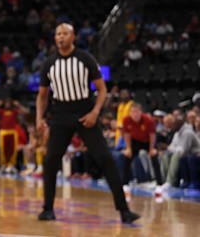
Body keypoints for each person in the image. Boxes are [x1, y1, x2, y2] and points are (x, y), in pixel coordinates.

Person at [36, 23, 139, 223]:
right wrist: (39, 118)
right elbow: (42, 96)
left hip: (85, 112)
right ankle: (47, 209)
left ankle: (124, 210)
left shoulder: (85, 59)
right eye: (58, 34)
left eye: (65, 33)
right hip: (60, 113)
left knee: (105, 159)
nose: (61, 37)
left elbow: (102, 89)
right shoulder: (48, 63)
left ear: (73, 36)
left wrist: (95, 112)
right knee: (50, 161)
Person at [121, 103, 163, 195]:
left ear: (141, 112)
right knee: (127, 157)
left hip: (148, 141)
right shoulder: (126, 120)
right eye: (133, 112)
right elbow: (127, 134)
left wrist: (152, 149)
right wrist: (128, 148)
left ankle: (159, 185)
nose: (135, 114)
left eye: (137, 112)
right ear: (130, 113)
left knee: (154, 157)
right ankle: (125, 185)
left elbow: (152, 135)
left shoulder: (148, 120)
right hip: (135, 141)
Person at [0, 98, 29, 173]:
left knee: (13, 149)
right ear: (4, 104)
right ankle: (4, 165)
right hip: (3, 132)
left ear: (11, 103)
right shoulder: (1, 111)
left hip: (13, 132)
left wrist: (19, 105)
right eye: (6, 103)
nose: (7, 104)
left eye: (9, 103)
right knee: (3, 149)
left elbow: (26, 112)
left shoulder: (14, 111)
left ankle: (12, 165)